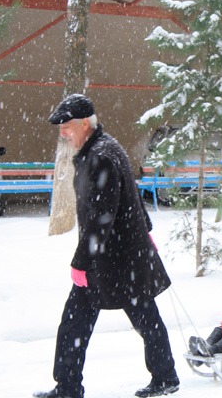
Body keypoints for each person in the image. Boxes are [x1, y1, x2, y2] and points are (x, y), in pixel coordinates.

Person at [34, 94, 179, 398]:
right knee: (135, 318)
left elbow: (101, 218)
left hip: (114, 260)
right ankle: (162, 377)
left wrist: (80, 263)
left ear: (84, 124)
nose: (63, 133)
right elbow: (131, 194)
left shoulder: (100, 155)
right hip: (119, 257)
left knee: (81, 324)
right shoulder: (104, 147)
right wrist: (146, 231)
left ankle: (71, 387)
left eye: (67, 127)